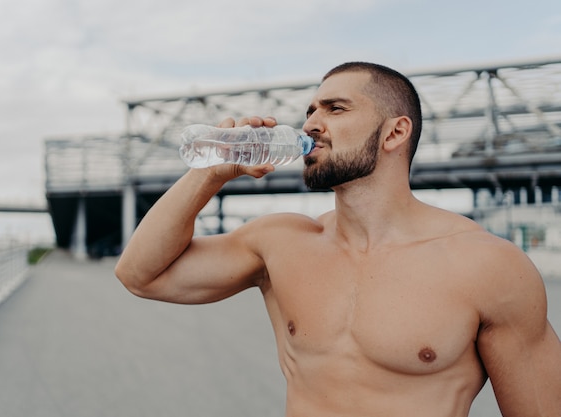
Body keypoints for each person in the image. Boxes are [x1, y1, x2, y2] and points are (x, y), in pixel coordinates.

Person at [115, 62, 561, 417]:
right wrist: (210, 173)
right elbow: (140, 275)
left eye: (335, 108)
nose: (311, 124)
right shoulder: (281, 241)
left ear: (395, 132)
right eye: (310, 110)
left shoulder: (489, 267)